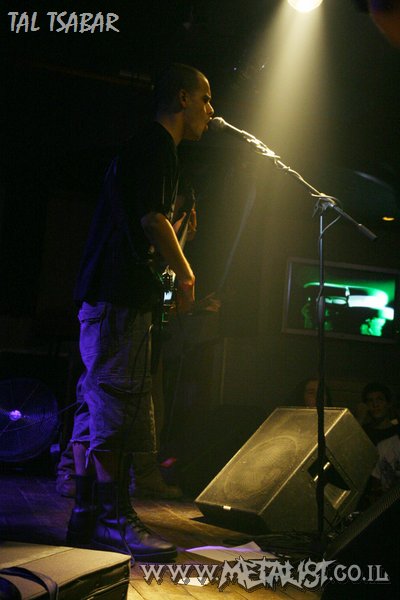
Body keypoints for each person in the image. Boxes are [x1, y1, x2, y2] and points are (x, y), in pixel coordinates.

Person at [66, 63, 214, 562]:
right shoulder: (156, 145)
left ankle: (86, 514)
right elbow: (151, 221)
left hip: (107, 297)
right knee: (118, 402)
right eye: (205, 98)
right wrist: (187, 273)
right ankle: (113, 519)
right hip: (119, 301)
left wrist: (177, 238)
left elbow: (143, 229)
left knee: (96, 403)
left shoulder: (143, 149)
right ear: (182, 98)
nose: (211, 110)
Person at [360, 381, 400, 505]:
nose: (375, 405)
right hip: (367, 494)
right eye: (370, 401)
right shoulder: (364, 432)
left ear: (388, 403)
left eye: (379, 400)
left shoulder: (397, 432)